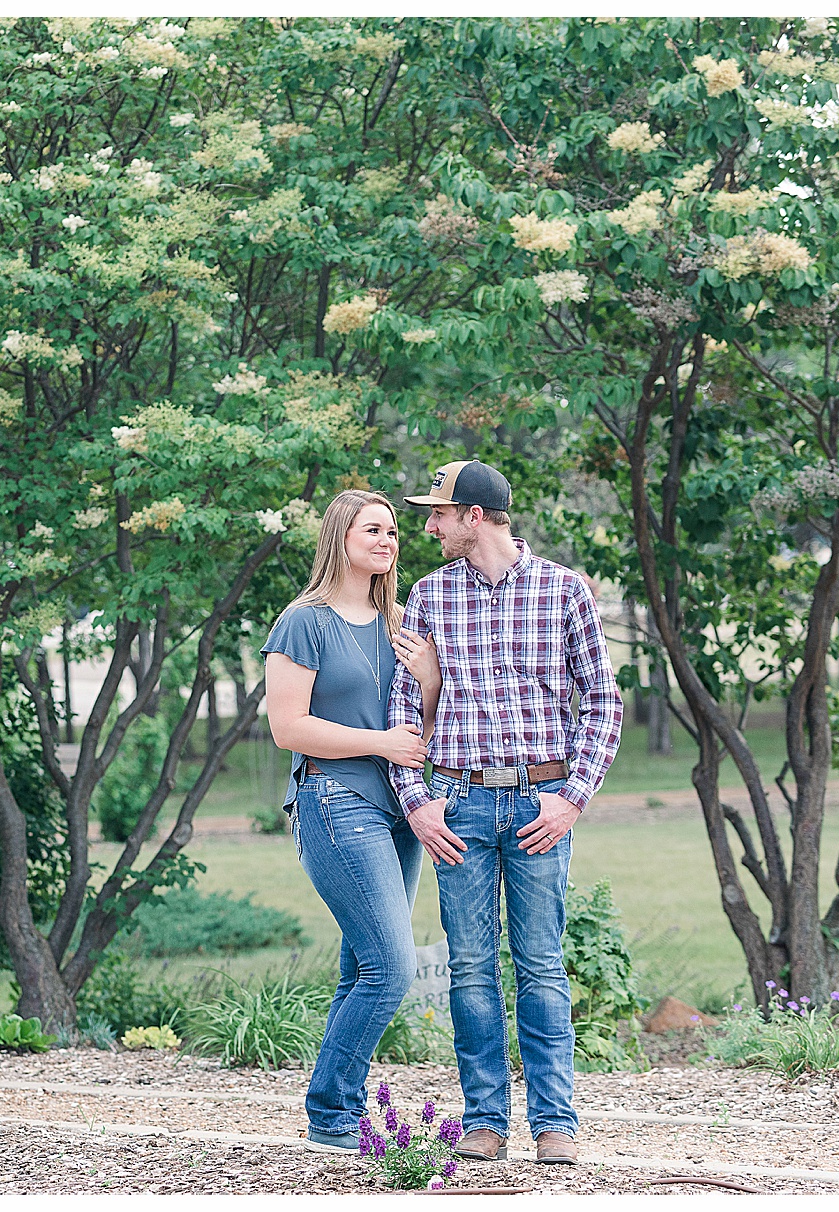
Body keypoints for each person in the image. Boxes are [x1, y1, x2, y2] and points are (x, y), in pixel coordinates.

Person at [388, 460, 623, 1165]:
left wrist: (572, 797)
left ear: (475, 516)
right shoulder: (429, 599)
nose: (427, 526)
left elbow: (604, 702)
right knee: (469, 967)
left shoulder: (562, 592)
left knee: (542, 965)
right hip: (457, 805)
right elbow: (405, 707)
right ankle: (485, 1120)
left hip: (539, 807)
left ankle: (556, 1123)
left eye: (439, 513)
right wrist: (419, 803)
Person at [261, 489, 443, 1152]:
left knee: (361, 969)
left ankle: (338, 1114)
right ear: (341, 535)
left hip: (401, 809)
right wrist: (380, 743)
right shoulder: (303, 622)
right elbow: (289, 728)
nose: (388, 540)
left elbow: (423, 730)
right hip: (335, 800)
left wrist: (427, 682)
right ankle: (331, 1111)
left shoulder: (399, 620)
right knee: (391, 968)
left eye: (393, 531)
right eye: (373, 528)